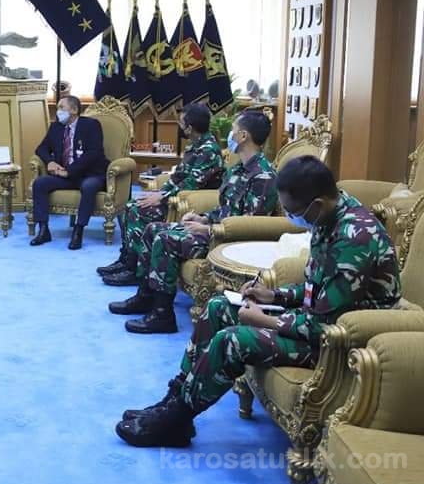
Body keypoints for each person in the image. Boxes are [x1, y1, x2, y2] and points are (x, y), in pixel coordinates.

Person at [116, 156, 401, 448]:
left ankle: (177, 419)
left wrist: (266, 320)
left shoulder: (354, 239)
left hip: (339, 344)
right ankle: (175, 398)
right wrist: (274, 295)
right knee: (217, 307)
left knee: (231, 341)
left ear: (316, 205)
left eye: (293, 211)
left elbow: (325, 323)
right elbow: (317, 289)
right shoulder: (329, 215)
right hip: (318, 322)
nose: (292, 217)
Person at [110, 111, 278, 334]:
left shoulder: (263, 175)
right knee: (152, 230)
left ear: (244, 136)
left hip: (227, 240)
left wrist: (208, 229)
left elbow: (249, 224)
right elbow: (226, 208)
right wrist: (203, 217)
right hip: (214, 228)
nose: (230, 134)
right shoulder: (238, 169)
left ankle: (162, 315)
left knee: (165, 239)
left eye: (233, 130)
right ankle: (145, 297)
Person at [100, 102, 224, 286]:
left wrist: (162, 198)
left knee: (139, 211)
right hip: (178, 195)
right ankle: (127, 259)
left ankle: (135, 270)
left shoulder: (209, 150)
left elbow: (192, 183)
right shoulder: (195, 145)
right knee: (131, 205)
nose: (179, 126)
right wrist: (160, 192)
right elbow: (178, 176)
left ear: (190, 128)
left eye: (181, 123)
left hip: (191, 202)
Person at [29, 95, 111, 250]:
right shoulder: (56, 127)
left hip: (90, 174)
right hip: (64, 174)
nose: (58, 111)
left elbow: (94, 154)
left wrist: (69, 171)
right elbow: (41, 149)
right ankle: (43, 230)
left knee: (88, 186)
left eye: (61, 107)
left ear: (74, 110)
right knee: (40, 183)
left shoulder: (91, 125)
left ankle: (78, 231)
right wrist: (50, 161)